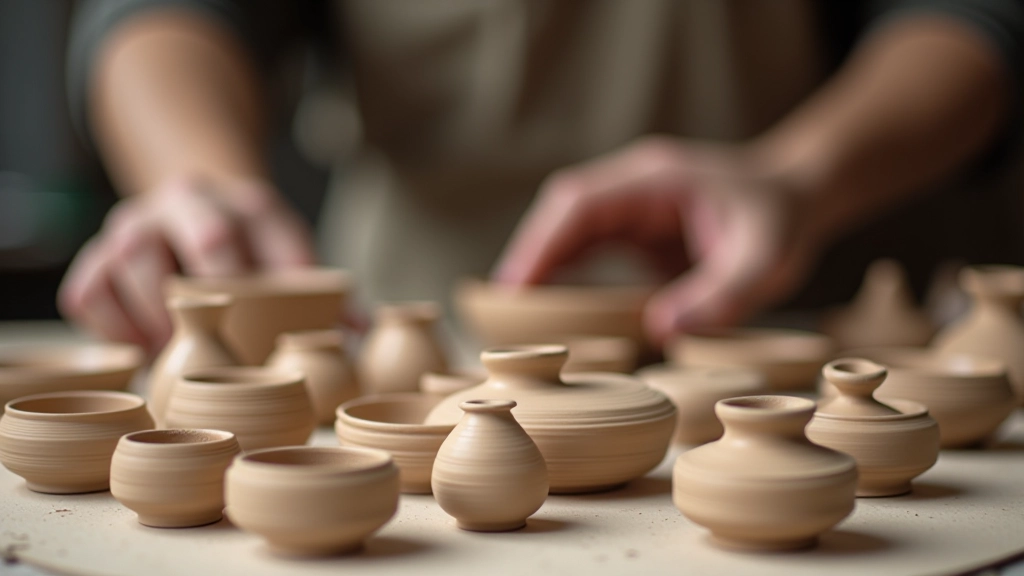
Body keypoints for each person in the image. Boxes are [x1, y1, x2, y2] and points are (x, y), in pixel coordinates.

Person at [60, 0, 1023, 353]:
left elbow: (972, 16)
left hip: (797, 324)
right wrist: (202, 187)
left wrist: (799, 177)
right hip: (407, 344)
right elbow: (166, 12)